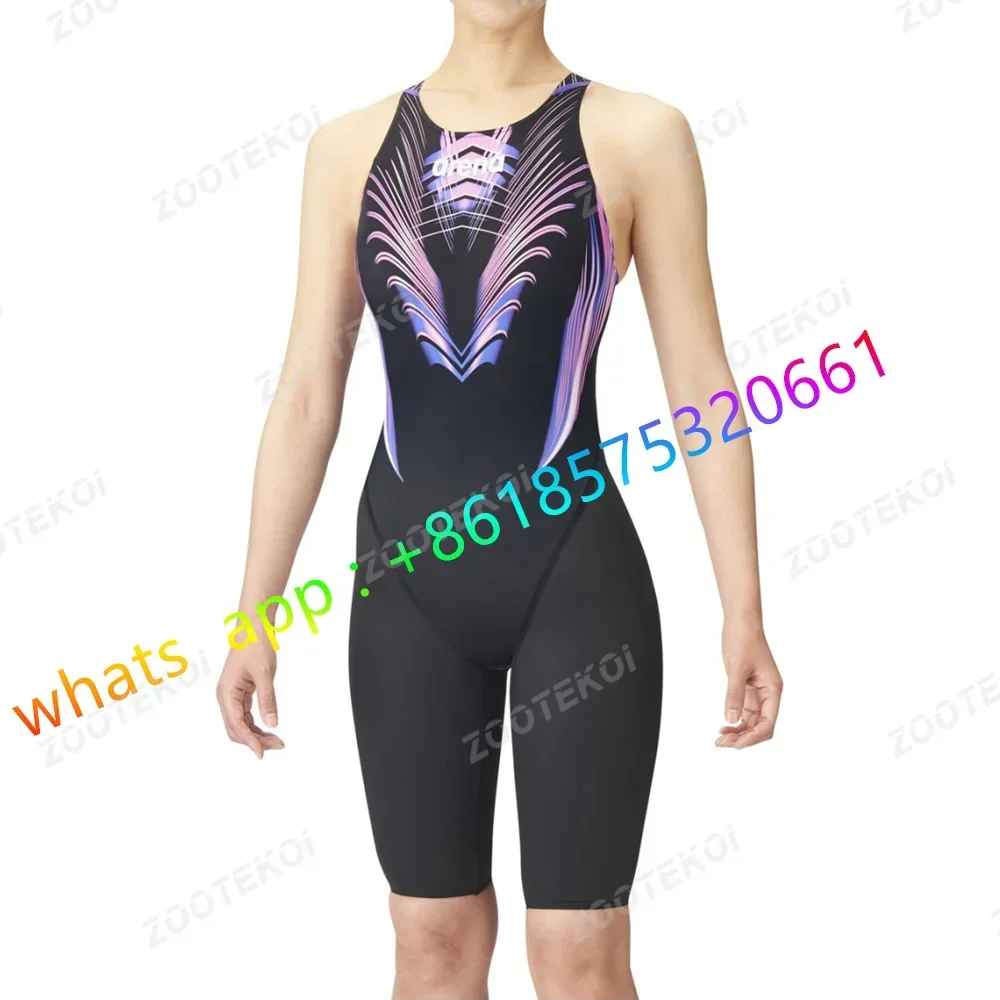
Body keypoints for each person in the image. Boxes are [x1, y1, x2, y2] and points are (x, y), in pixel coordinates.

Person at [215, 0, 784, 996]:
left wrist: (744, 608)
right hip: (407, 585)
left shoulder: (637, 133)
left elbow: (700, 381)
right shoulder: (347, 148)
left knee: (578, 950)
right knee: (429, 938)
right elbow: (307, 389)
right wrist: (254, 612)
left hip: (575, 580)